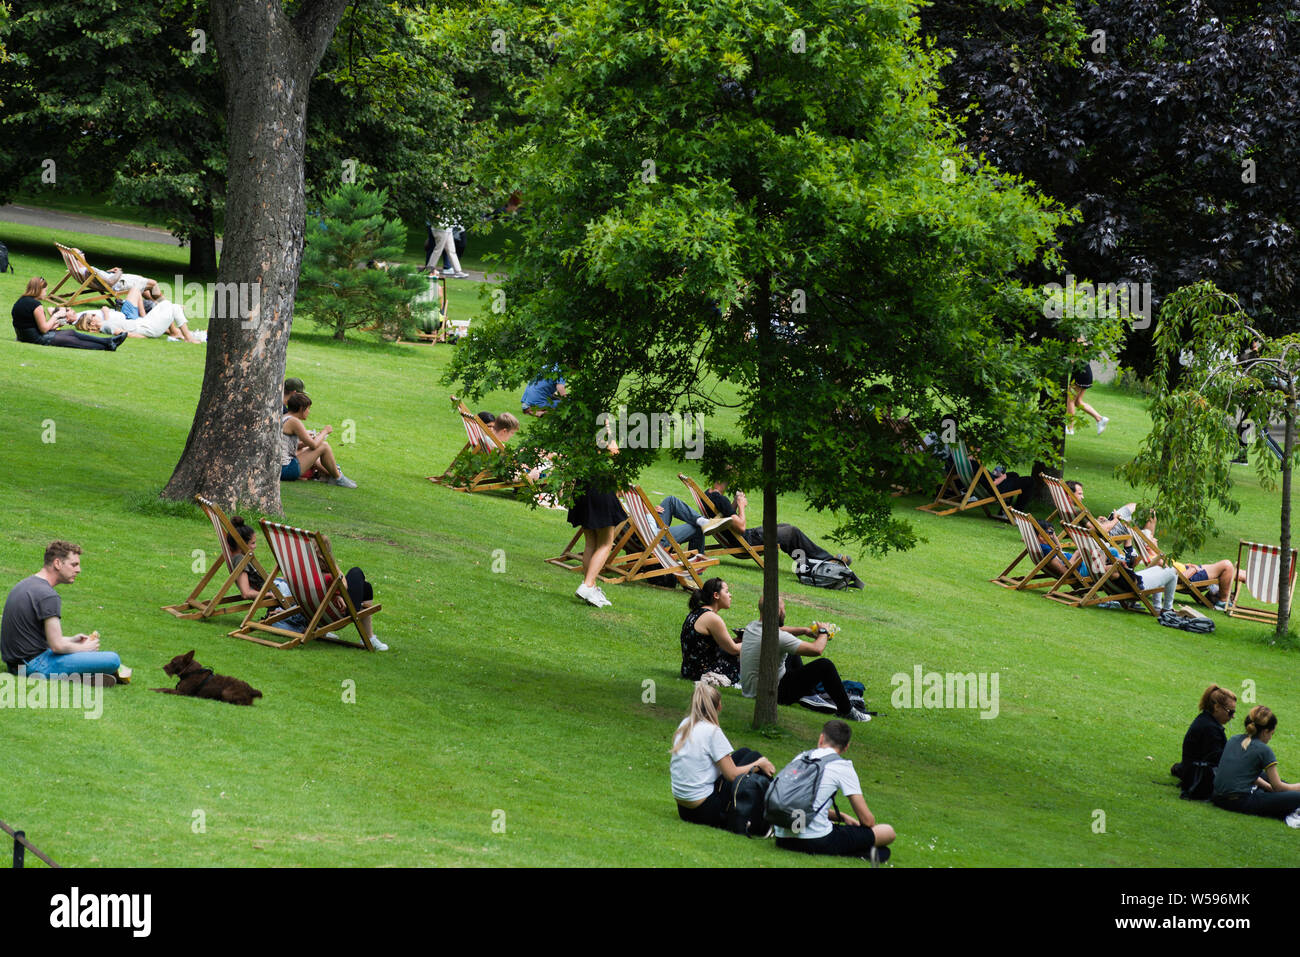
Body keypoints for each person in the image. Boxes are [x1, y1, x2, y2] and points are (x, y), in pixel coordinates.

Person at [1, 541, 131, 684]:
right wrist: (85, 648)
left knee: (87, 655)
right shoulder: (48, 595)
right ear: (57, 563)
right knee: (113, 660)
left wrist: (71, 640)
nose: (79, 570)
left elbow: (36, 638)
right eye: (74, 565)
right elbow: (57, 646)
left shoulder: (25, 584)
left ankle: (85, 677)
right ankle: (82, 677)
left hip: (15, 665)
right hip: (34, 666)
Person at [773, 719, 896, 861]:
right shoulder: (842, 766)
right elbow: (867, 821)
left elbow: (798, 803)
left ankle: (861, 852)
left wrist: (841, 817)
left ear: (821, 738)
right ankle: (861, 851)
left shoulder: (801, 758)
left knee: (881, 851)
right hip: (816, 839)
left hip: (783, 837)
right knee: (887, 832)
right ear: (846, 747)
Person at [739, 592, 870, 721]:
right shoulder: (779, 638)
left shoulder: (751, 627)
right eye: (784, 608)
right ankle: (846, 711)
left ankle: (808, 694)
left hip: (753, 689)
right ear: (777, 611)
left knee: (790, 651)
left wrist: (804, 630)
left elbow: (781, 630)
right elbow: (816, 650)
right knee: (825, 665)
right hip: (772, 694)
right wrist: (824, 632)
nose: (785, 612)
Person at [703, 477, 860, 582]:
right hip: (746, 540)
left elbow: (726, 518)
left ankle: (811, 565)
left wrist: (735, 503)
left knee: (785, 528)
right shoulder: (719, 498)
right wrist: (742, 506)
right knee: (792, 532)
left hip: (743, 537)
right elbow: (741, 527)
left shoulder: (709, 495)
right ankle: (828, 562)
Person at [670, 681, 775, 830]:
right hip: (704, 811)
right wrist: (760, 764)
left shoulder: (685, 724)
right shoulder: (712, 731)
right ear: (719, 706)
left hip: (684, 810)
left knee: (744, 753)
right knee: (755, 757)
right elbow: (731, 775)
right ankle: (768, 814)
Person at [1212, 705, 1300, 824]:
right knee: (1296, 797)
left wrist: (1269, 787)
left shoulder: (1234, 739)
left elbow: (1242, 773)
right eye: (1271, 734)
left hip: (1218, 797)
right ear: (1265, 732)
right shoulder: (1263, 750)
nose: (1270, 738)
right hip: (1238, 801)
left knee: (1264, 777)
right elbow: (1278, 787)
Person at [12, 277, 126, 350]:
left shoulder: (20, 301)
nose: (45, 293)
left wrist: (56, 324)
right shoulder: (36, 305)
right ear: (39, 290)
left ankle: (108, 341)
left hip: (26, 336)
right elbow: (43, 329)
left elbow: (31, 325)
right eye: (45, 290)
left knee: (71, 332)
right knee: (72, 340)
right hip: (36, 339)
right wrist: (56, 315)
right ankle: (107, 346)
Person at [1171, 685, 1237, 800]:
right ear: (1216, 707)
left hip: (1193, 773)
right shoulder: (1210, 729)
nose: (1233, 716)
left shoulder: (1205, 721)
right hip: (1200, 777)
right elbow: (1219, 760)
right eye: (1230, 712)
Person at [281, 392, 357, 488]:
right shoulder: (294, 421)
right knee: (324, 446)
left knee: (313, 449)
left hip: (281, 467)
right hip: (286, 470)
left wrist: (307, 443)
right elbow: (314, 445)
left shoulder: (284, 417)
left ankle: (334, 475)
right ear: (301, 409)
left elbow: (292, 446)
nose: (309, 412)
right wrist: (325, 432)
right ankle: (338, 478)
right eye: (308, 408)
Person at [679, 578, 744, 684]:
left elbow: (704, 644)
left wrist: (735, 641)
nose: (730, 595)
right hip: (701, 672)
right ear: (716, 595)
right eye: (727, 591)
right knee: (745, 655)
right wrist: (752, 641)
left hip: (689, 669)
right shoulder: (712, 618)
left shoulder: (697, 612)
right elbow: (733, 649)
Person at [75, 298, 201, 342]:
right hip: (148, 328)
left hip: (144, 322)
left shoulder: (104, 324)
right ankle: (189, 338)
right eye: (92, 315)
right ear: (92, 322)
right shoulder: (105, 326)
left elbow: (109, 323)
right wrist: (141, 337)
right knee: (174, 308)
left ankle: (175, 332)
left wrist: (105, 312)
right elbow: (121, 333)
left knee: (165, 303)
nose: (95, 315)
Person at [1066, 350, 1108, 436]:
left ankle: (1070, 428)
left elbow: (1072, 360)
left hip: (1080, 373)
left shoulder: (1075, 343)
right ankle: (1100, 419)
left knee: (1070, 400)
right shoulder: (1081, 342)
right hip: (1086, 373)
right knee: (1078, 402)